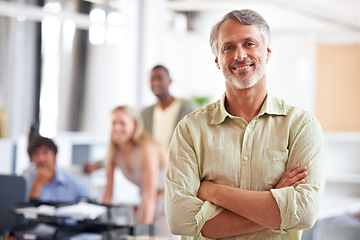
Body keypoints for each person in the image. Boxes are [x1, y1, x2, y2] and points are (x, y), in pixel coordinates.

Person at [165, 9, 324, 240]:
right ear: (218, 60)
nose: (240, 55)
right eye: (228, 47)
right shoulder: (191, 129)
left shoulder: (301, 125)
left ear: (267, 52)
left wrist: (214, 192)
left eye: (249, 43)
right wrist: (274, 205)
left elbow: (304, 213)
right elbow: (180, 219)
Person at [102, 105, 172, 237]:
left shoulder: (147, 149)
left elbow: (149, 193)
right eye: (114, 123)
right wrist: (102, 221)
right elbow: (108, 191)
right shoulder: (114, 152)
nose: (117, 128)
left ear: (134, 125)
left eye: (122, 123)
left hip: (166, 203)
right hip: (146, 201)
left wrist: (142, 231)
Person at [141, 65, 199, 149]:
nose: (155, 83)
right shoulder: (145, 113)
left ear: (170, 81)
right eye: (152, 79)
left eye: (160, 78)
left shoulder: (188, 108)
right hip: (156, 161)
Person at [26, 136, 90, 203]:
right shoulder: (24, 184)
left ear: (55, 154)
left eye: (45, 152)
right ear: (31, 158)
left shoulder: (76, 185)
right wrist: (37, 184)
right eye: (36, 154)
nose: (41, 158)